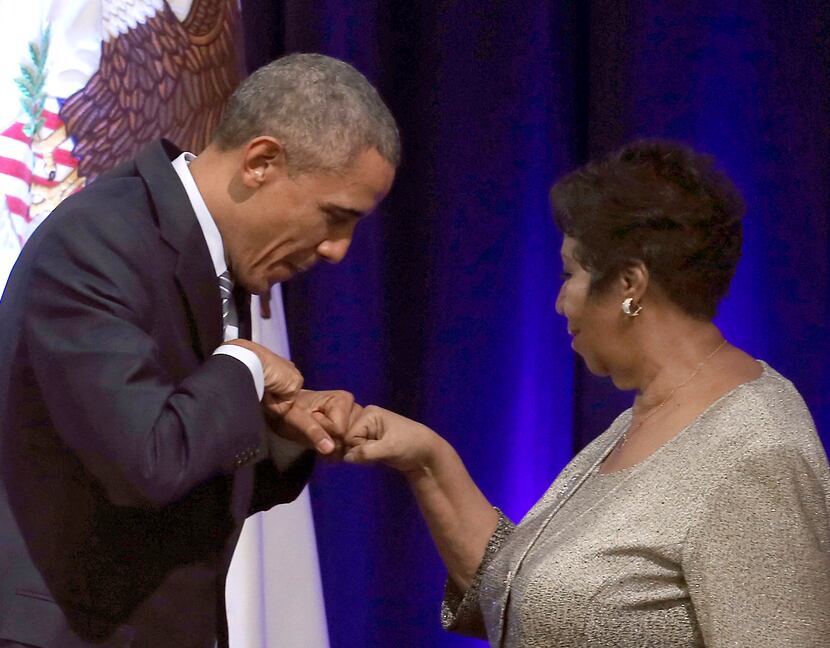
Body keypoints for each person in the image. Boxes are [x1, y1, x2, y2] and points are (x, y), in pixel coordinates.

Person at [341, 140, 830, 647]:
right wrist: (426, 460)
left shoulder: (758, 453)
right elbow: (527, 607)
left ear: (628, 284)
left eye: (569, 274)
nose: (560, 302)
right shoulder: (647, 414)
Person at [0, 53, 399, 647]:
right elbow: (147, 462)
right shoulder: (101, 241)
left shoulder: (211, 252)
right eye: (335, 216)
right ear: (262, 162)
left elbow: (187, 481)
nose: (339, 250)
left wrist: (287, 433)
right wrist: (244, 366)